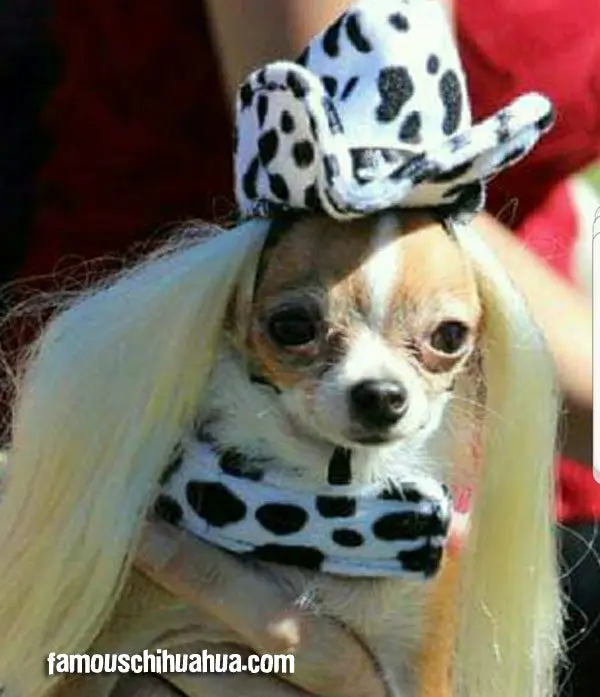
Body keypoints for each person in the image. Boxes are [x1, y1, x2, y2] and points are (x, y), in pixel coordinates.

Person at [0, 1, 596, 695]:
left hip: (501, 507)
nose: (380, 383)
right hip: (141, 446)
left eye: (443, 340)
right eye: (298, 331)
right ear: (235, 319)